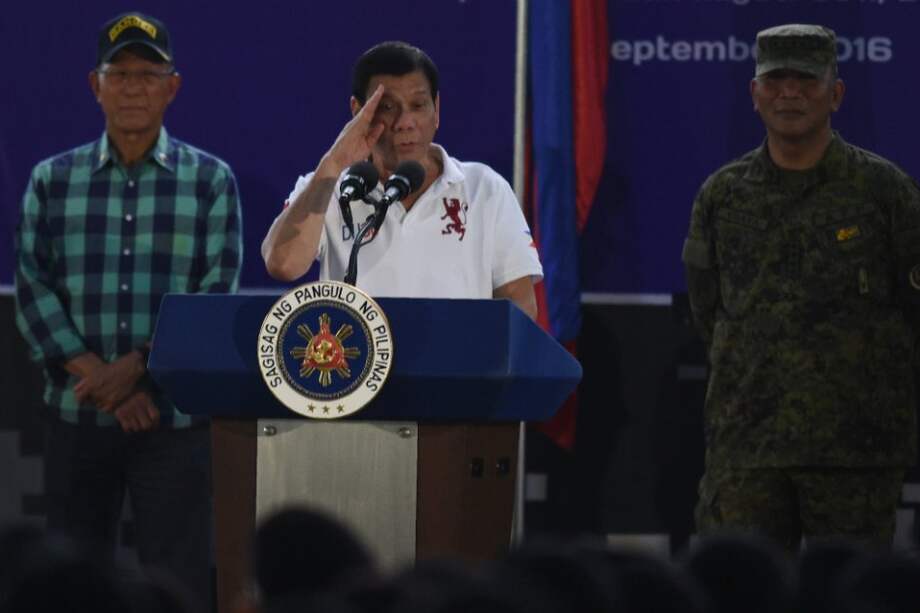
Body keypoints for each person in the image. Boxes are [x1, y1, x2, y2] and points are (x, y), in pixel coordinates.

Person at [14, 11, 242, 609]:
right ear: (96, 85)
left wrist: (137, 369)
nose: (134, 88)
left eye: (149, 74)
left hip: (173, 424)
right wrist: (105, 381)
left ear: (173, 87)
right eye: (120, 74)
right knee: (68, 586)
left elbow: (213, 296)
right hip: (77, 415)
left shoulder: (211, 181)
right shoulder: (52, 180)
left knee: (179, 584)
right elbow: (33, 288)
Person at [682, 24, 920, 550]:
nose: (790, 93)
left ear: (836, 94)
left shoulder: (885, 193)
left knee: (852, 588)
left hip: (855, 449)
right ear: (755, 93)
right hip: (748, 445)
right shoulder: (723, 195)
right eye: (776, 80)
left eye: (807, 80)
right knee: (741, 585)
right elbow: (708, 309)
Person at [261, 41, 542, 318]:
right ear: (358, 112)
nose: (405, 122)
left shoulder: (484, 188)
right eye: (387, 107)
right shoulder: (331, 188)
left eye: (418, 105)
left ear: (436, 110)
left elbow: (521, 309)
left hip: (459, 351)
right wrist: (333, 162)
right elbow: (283, 265)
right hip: (360, 349)